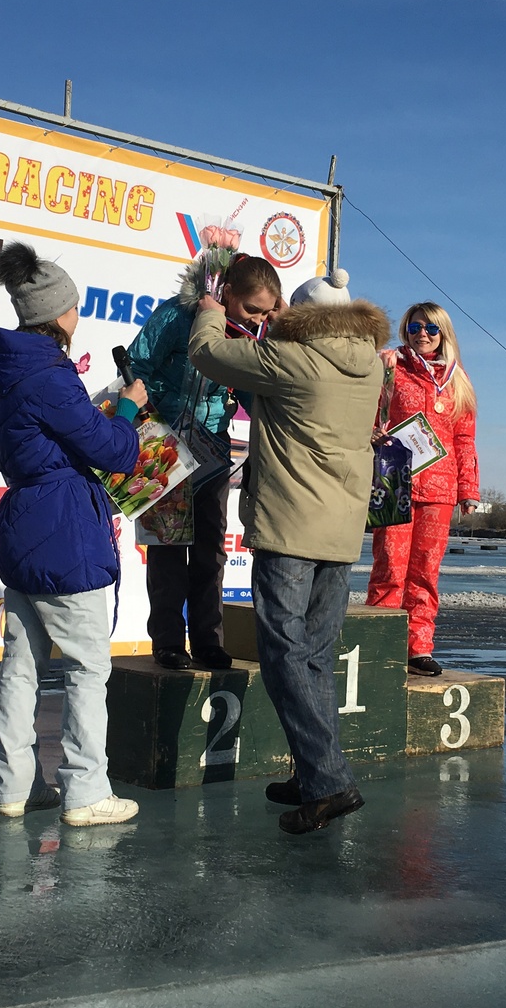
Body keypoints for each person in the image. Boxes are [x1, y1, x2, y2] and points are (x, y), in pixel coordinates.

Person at [189, 269, 390, 834]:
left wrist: (210, 306)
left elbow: (208, 352)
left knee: (281, 653)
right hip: (342, 529)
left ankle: (328, 782)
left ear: (299, 316)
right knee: (317, 656)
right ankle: (311, 773)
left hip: (292, 526)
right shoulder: (370, 362)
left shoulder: (293, 360)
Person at [0, 241, 144, 827]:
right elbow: (114, 452)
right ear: (59, 314)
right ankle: (86, 792)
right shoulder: (49, 371)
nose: (78, 315)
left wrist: (78, 413)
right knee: (87, 667)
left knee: (20, 667)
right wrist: (126, 409)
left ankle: (16, 788)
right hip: (64, 525)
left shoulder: (1, 363)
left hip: (22, 520)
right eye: (73, 307)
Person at [128, 251, 282, 671]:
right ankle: (167, 641)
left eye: (266, 313)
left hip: (212, 449)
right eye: (252, 308)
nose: (256, 318)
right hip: (164, 444)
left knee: (210, 550)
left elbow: (255, 390)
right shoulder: (179, 314)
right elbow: (137, 365)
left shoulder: (250, 335)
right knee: (167, 549)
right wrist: (157, 414)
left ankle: (209, 641)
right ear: (227, 292)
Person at [365, 303, 480, 675]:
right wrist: (372, 432)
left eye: (431, 327)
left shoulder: (457, 379)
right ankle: (380, 644)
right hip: (394, 477)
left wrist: (468, 489)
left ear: (443, 332)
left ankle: (418, 647)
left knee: (425, 572)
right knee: (389, 567)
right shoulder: (390, 365)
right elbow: (368, 411)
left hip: (440, 488)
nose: (423, 334)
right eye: (414, 327)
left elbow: (464, 439)